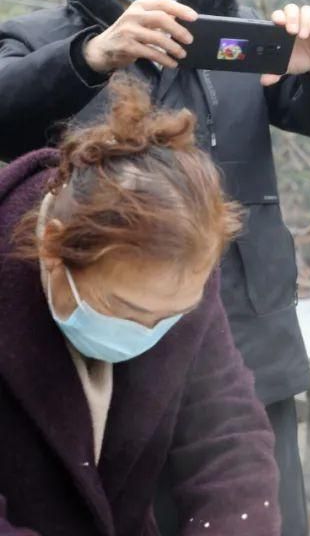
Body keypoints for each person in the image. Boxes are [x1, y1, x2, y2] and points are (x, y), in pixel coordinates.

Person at [0, 0, 310, 534]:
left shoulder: (239, 37)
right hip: (98, 357)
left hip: (248, 346)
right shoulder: (38, 40)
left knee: (248, 503)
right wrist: (92, 56)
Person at [0, 75, 280, 535]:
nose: (146, 333)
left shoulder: (182, 267)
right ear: (53, 248)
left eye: (170, 318)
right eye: (124, 309)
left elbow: (228, 435)